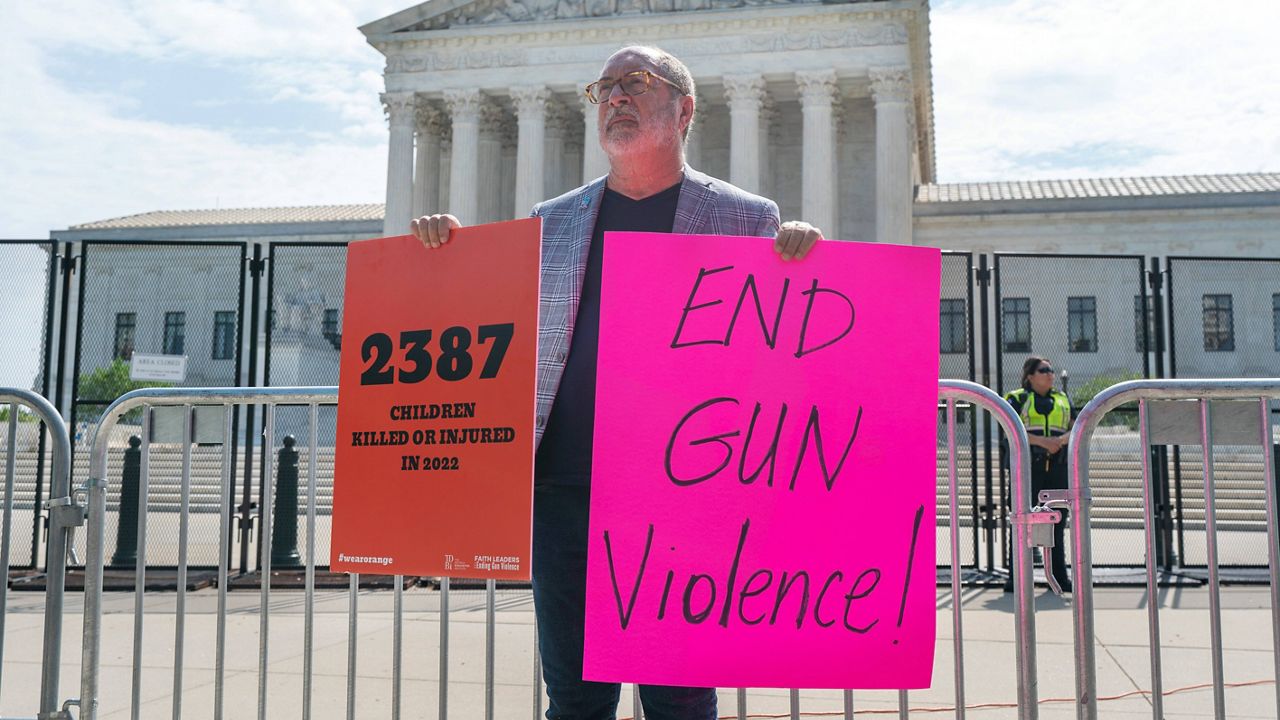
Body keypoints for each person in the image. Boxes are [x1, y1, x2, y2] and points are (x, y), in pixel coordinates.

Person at [412, 46, 825, 720]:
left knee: (680, 699)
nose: (615, 98)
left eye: (636, 83)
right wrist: (447, 257)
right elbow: (483, 327)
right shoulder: (552, 219)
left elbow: (778, 353)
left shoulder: (747, 218)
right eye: (604, 87)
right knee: (574, 701)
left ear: (684, 109)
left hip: (683, 496)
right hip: (567, 491)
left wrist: (803, 259)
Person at [1004, 356, 1073, 593]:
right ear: (1030, 376)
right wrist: (1043, 442)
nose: (1050, 374)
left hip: (1057, 467)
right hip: (1027, 468)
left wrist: (1058, 442)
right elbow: (1009, 429)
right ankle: (1017, 580)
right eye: (1044, 370)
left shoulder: (1062, 399)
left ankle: (1059, 578)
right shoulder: (1016, 398)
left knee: (1057, 522)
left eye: (1051, 370)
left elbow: (1076, 427)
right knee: (1022, 522)